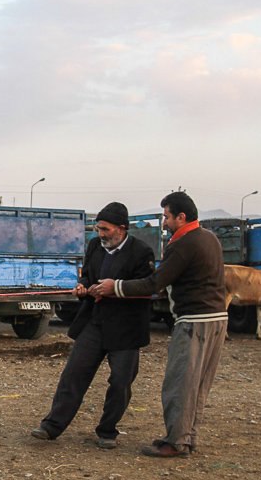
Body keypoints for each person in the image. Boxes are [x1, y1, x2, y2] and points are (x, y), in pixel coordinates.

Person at [92, 191, 228, 458]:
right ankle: (187, 437)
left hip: (194, 322)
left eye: (166, 216)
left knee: (180, 383)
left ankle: (175, 441)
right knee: (199, 385)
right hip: (218, 319)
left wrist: (114, 286)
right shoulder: (210, 238)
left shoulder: (184, 244)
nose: (163, 222)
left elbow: (154, 283)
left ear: (181, 217)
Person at [31, 202, 155, 449]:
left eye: (105, 230)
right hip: (95, 322)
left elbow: (148, 287)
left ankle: (107, 431)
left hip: (127, 329)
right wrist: (83, 287)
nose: (101, 234)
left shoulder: (142, 252)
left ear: (121, 229)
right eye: (98, 229)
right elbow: (87, 275)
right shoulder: (94, 246)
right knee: (74, 374)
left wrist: (114, 288)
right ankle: (51, 426)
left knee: (120, 382)